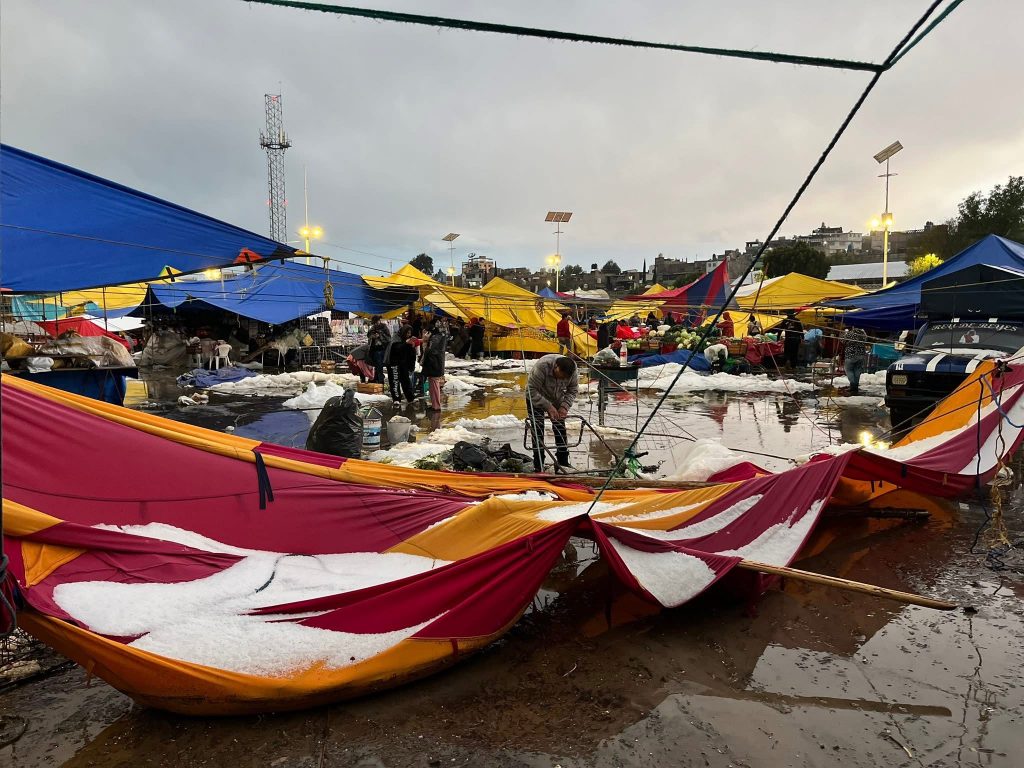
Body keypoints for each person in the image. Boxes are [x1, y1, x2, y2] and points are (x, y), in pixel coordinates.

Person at [526, 355, 578, 472]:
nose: (562, 379)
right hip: (537, 395)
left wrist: (564, 407)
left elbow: (572, 390)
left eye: (564, 378)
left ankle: (563, 462)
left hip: (557, 396)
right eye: (561, 375)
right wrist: (548, 406)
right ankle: (538, 464)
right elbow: (530, 390)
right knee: (538, 428)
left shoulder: (573, 370)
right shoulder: (542, 367)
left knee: (560, 427)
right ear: (556, 367)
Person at [421, 317, 448, 411]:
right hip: (436, 362)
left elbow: (430, 350)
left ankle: (436, 406)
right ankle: (434, 405)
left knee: (434, 384)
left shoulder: (436, 336)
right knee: (433, 383)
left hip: (434, 363)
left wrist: (425, 341)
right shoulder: (442, 335)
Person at [388, 326, 418, 403]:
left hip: (403, 364)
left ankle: (410, 398)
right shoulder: (396, 338)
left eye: (410, 333)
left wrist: (411, 366)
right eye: (407, 333)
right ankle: (396, 399)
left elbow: (411, 354)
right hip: (394, 364)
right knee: (395, 382)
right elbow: (396, 349)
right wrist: (406, 343)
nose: (409, 334)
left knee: (406, 381)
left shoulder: (409, 340)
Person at [842, 326, 870, 394]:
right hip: (861, 355)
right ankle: (856, 387)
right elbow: (866, 341)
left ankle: (852, 386)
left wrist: (845, 334)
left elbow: (843, 341)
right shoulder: (863, 334)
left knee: (849, 370)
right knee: (857, 371)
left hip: (850, 355)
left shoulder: (850, 334)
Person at [367, 315, 391, 384]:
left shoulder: (384, 327)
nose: (375, 324)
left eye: (376, 322)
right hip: (375, 350)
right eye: (374, 323)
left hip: (383, 349)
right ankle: (378, 379)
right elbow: (368, 335)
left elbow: (388, 338)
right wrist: (373, 336)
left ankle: (381, 380)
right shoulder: (373, 328)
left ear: (379, 321)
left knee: (380, 365)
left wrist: (380, 335)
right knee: (377, 365)